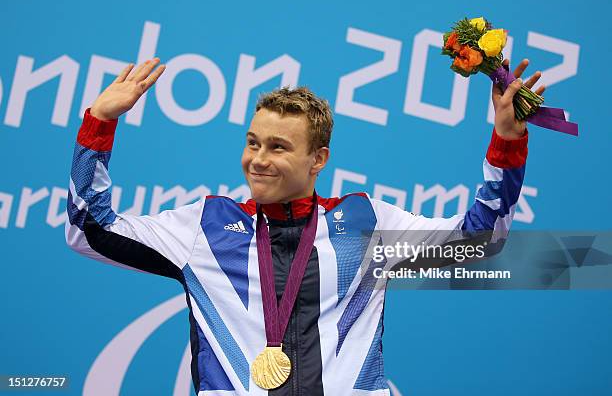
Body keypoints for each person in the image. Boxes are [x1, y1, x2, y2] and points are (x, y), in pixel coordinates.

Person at [65, 57, 544, 395]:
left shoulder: (363, 223)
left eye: (278, 147)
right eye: (253, 143)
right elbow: (89, 230)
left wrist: (506, 140)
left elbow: (480, 239)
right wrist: (100, 123)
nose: (257, 160)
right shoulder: (205, 227)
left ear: (318, 160)